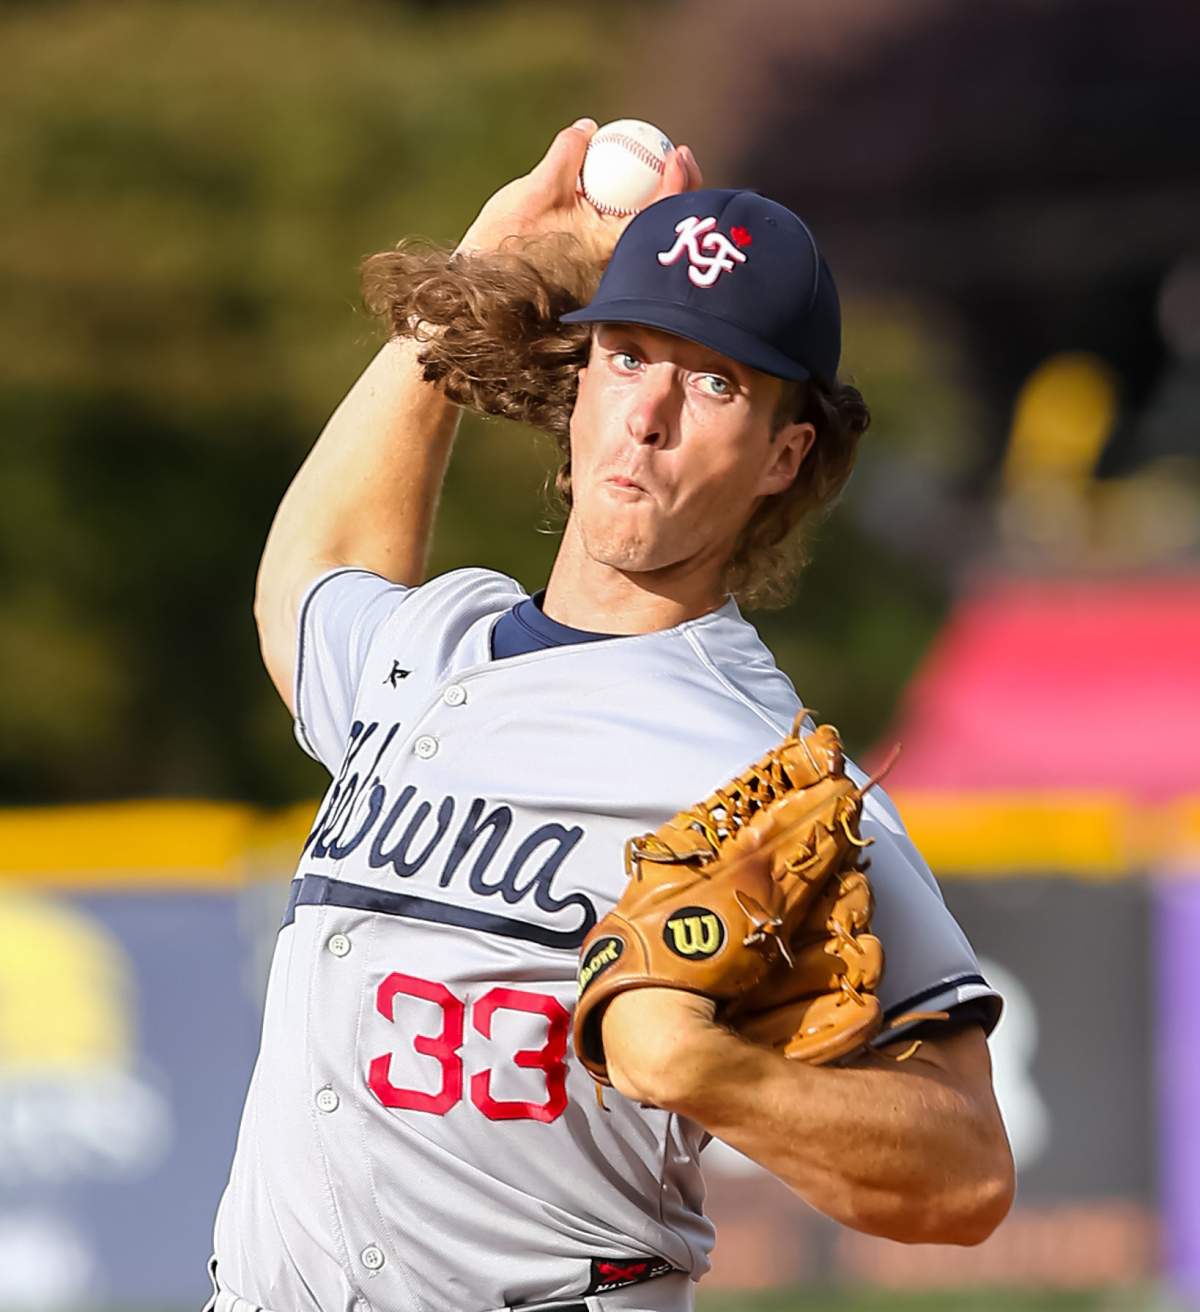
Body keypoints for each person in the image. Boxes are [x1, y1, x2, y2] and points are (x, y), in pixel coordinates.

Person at [210, 119, 1014, 1312]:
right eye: (628, 355)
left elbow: (968, 1171)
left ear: (784, 454)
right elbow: (310, 575)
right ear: (578, 384)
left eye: (715, 382)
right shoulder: (431, 645)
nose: (649, 414)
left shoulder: (764, 770)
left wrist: (714, 1070)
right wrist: (474, 275)